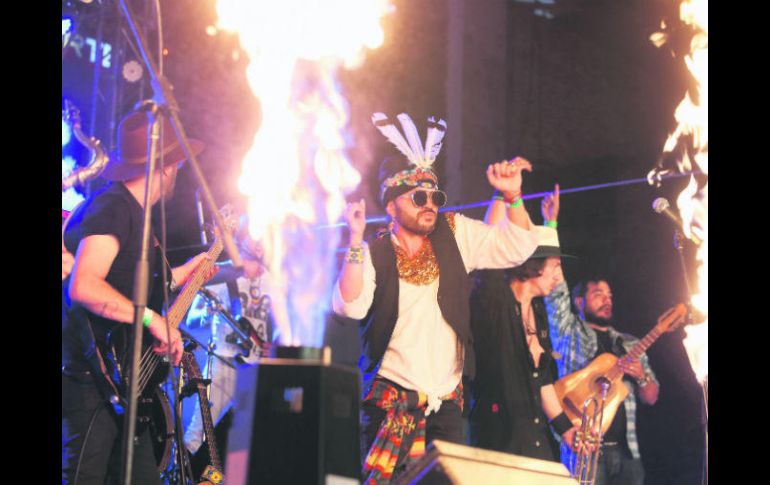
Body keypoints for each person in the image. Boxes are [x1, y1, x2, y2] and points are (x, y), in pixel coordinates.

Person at [332, 112, 539, 483]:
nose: (430, 204)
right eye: (419, 197)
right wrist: (355, 241)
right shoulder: (374, 252)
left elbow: (517, 247)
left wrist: (512, 196)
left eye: (435, 196)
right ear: (391, 205)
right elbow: (350, 305)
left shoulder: (456, 233)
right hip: (391, 405)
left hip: (446, 407)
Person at [62, 110, 214, 484]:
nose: (178, 170)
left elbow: (135, 283)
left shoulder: (138, 216)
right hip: (94, 383)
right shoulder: (114, 207)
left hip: (128, 385)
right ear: (165, 167)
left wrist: (190, 269)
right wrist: (151, 318)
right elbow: (84, 285)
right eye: (176, 163)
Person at [545, 188, 659, 485]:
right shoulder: (569, 331)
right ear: (579, 302)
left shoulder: (630, 344)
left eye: (609, 295)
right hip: (582, 449)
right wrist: (550, 225)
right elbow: (555, 288)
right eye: (598, 294)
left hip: (628, 455)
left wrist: (642, 376)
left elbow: (651, 397)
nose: (606, 300)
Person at [468, 183, 577, 462]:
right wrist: (503, 194)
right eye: (555, 266)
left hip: (538, 442)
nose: (559, 276)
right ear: (534, 265)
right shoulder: (496, 300)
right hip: (501, 443)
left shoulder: (538, 311)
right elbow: (488, 248)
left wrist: (565, 428)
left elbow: (543, 381)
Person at [183, 225, 289, 458]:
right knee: (200, 431)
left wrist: (276, 345)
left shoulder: (273, 282)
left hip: (255, 368)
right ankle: (186, 471)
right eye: (254, 235)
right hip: (223, 361)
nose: (259, 242)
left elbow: (284, 324)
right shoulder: (220, 274)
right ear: (241, 239)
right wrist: (209, 312)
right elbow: (191, 320)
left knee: (243, 440)